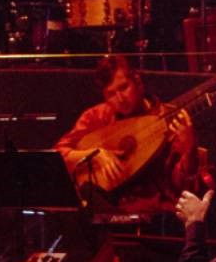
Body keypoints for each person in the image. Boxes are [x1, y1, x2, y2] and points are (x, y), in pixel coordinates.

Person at [56, 55, 204, 224]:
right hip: (108, 212)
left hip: (153, 216)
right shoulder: (96, 117)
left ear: (138, 82)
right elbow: (59, 154)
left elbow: (183, 187)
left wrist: (189, 147)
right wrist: (94, 154)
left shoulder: (168, 119)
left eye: (124, 87)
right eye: (111, 94)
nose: (120, 98)